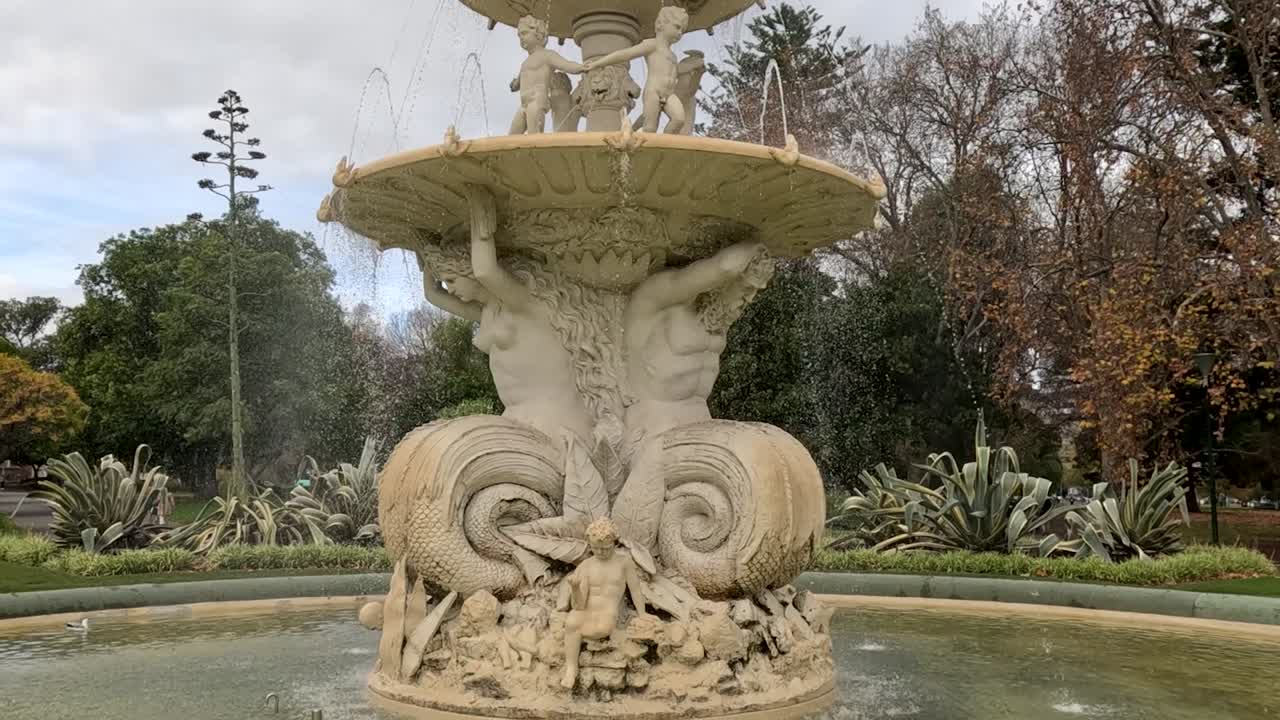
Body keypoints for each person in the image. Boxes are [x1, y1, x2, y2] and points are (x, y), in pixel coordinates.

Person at [416, 188, 595, 443]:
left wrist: (481, 219)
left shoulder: (522, 303)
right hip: (515, 418)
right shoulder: (486, 312)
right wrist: (422, 246)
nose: (450, 289)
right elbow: (432, 295)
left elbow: (486, 271)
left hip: (552, 419)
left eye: (452, 280)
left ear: (469, 270)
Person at [621, 241, 771, 460]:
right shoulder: (655, 299)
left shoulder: (716, 321)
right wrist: (759, 243)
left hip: (701, 432)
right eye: (747, 289)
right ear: (721, 283)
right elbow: (725, 266)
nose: (749, 299)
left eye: (755, 292)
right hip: (652, 435)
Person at [558, 517, 648, 689]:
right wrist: (575, 588)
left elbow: (635, 589)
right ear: (590, 545)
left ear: (614, 543)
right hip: (586, 609)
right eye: (596, 549)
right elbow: (578, 605)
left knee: (600, 629)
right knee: (571, 622)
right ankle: (571, 668)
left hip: (607, 611)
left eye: (606, 549)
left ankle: (579, 641)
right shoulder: (586, 565)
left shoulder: (624, 562)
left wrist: (642, 613)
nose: (601, 553)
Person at [584, 7, 689, 134]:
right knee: (650, 128)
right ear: (661, 24)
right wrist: (597, 63)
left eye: (682, 30)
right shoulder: (652, 45)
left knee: (679, 119)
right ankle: (651, 147)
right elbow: (625, 54)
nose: (680, 33)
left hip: (670, 93)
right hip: (653, 92)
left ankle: (664, 148)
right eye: (677, 27)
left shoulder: (673, 55)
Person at [510, 15, 585, 135]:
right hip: (524, 103)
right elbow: (520, 79)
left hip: (536, 101)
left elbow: (566, 65)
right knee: (512, 136)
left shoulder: (547, 55)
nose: (521, 38)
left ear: (538, 34)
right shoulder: (525, 62)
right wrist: (515, 84)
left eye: (524, 34)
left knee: (534, 137)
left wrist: (581, 67)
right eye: (519, 35)